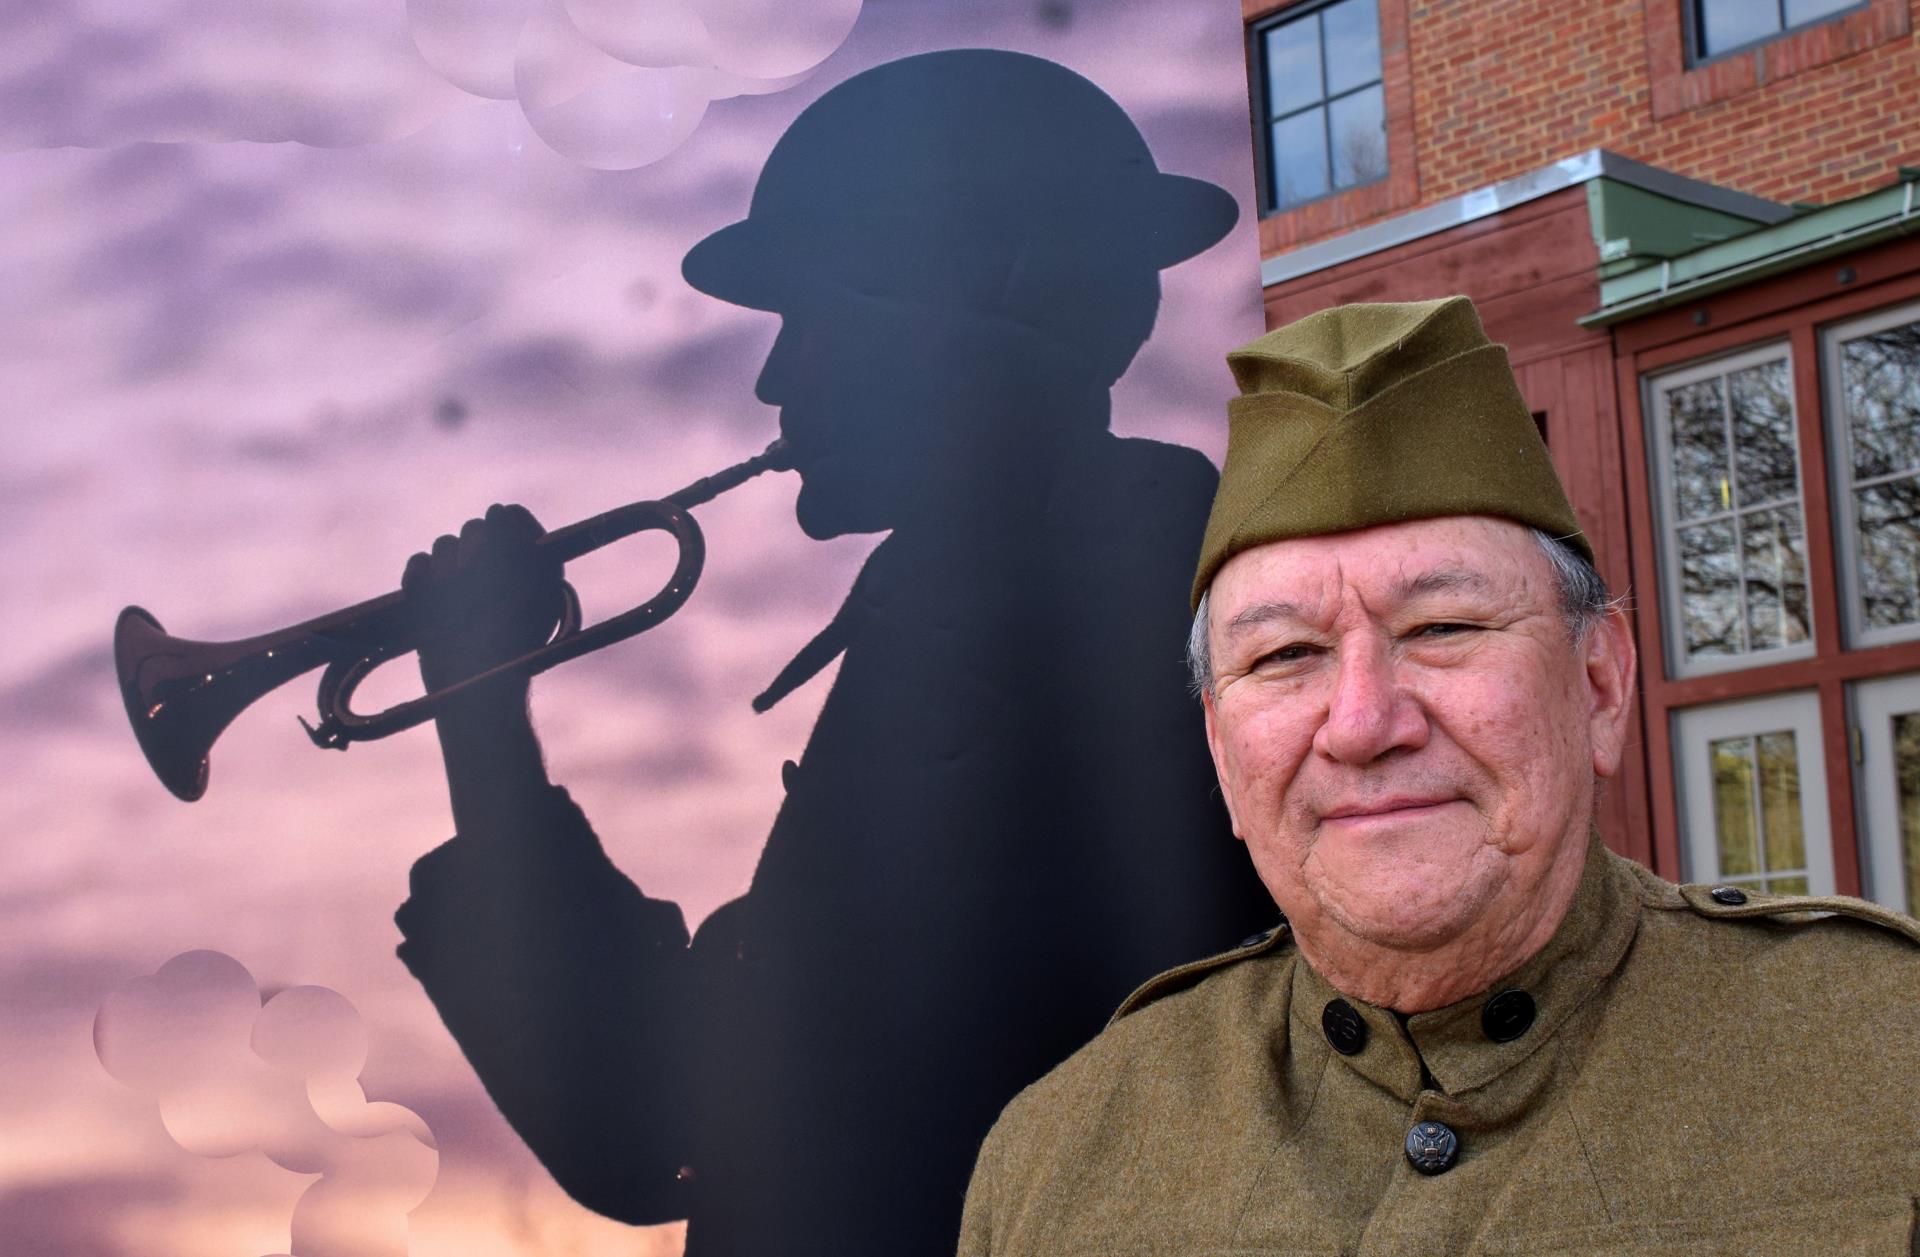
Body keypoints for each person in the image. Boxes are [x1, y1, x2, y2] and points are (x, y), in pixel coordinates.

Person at [390, 51, 1275, 1256]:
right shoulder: (1058, 583)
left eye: (811, 319)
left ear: (957, 314)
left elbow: (665, 1124)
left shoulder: (1030, 616)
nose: (772, 374)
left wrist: (481, 725)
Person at [957, 296, 1920, 1255]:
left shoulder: (1885, 1058)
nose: (1366, 723)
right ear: (1219, 745)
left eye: (1443, 628)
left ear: (1599, 685)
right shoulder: (1059, 1158)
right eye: (1287, 654)